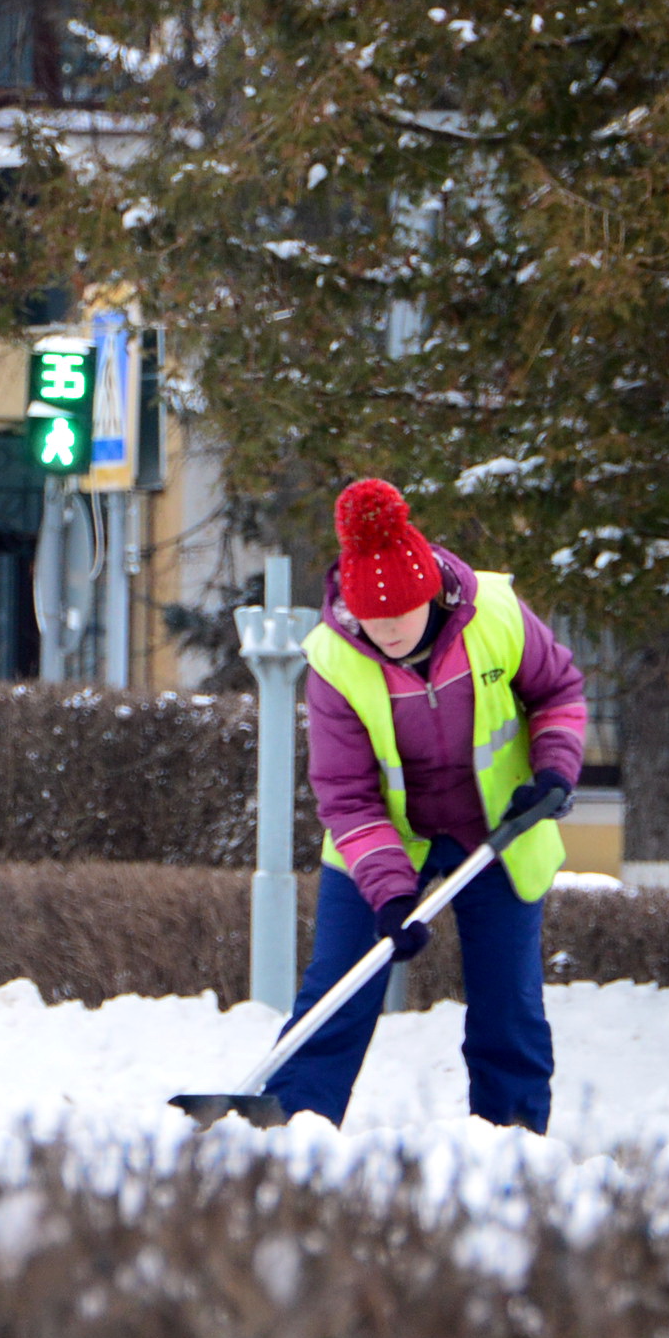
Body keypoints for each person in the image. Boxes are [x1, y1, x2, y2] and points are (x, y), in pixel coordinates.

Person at [273, 477, 586, 1132]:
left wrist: (554, 770)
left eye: (397, 618)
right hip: (385, 839)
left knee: (509, 1005)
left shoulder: (494, 616)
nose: (382, 632)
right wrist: (389, 896)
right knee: (340, 989)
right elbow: (348, 795)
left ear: (428, 596)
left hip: (498, 828)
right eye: (369, 618)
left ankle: (514, 1141)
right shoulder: (333, 660)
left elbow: (558, 693)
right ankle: (288, 1131)